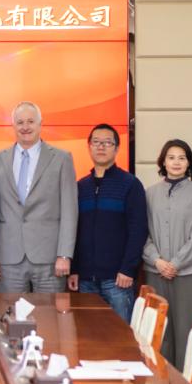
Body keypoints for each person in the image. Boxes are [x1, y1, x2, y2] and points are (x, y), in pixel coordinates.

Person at [0, 102, 77, 293]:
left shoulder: (61, 158)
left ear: (40, 124)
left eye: (30, 121)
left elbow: (70, 211)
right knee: (9, 311)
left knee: (49, 312)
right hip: (8, 258)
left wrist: (64, 255)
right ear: (13, 126)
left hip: (50, 258)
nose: (25, 127)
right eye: (20, 122)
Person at [142, 139, 192, 369]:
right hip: (155, 272)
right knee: (158, 333)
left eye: (182, 158)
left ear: (189, 162)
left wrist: (176, 263)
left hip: (188, 274)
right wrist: (157, 261)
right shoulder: (150, 193)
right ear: (163, 162)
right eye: (171, 157)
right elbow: (143, 233)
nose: (176, 162)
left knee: (188, 333)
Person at [69, 124, 147, 322]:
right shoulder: (81, 186)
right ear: (89, 147)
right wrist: (75, 269)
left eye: (107, 143)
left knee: (121, 335)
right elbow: (75, 231)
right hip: (86, 280)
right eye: (96, 142)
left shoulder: (130, 184)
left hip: (118, 280)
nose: (101, 147)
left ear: (117, 148)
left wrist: (128, 269)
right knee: (88, 335)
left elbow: (138, 230)